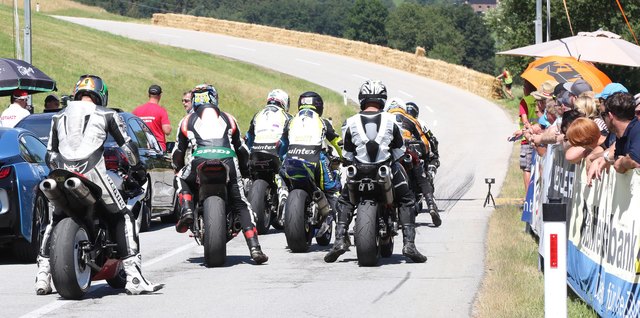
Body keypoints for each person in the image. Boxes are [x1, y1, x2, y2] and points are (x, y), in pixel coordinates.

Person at [35, 75, 162, 296]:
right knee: (123, 215)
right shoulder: (108, 114)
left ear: (76, 93)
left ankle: (43, 276)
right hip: (93, 173)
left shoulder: (58, 116)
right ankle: (134, 277)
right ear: (101, 95)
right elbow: (128, 146)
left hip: (60, 175)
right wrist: (138, 169)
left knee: (54, 219)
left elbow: (50, 155)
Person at [324, 79, 427, 264]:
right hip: (385, 168)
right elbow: (399, 150)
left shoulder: (350, 122)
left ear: (362, 99)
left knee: (345, 200)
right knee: (407, 199)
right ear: (383, 99)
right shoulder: (392, 120)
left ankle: (339, 240)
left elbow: (347, 153)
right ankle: (409, 244)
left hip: (359, 171)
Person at [172, 84, 268, 264]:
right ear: (214, 99)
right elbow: (242, 149)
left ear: (194, 101)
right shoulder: (229, 118)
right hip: (228, 162)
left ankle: (186, 209)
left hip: (199, 159)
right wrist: (246, 171)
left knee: (180, 178)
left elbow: (178, 151)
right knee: (241, 203)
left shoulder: (186, 120)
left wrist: (176, 166)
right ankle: (255, 248)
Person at [284, 91, 343, 235]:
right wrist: (346, 158)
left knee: (281, 179)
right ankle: (342, 231)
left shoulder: (290, 121)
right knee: (332, 191)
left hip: (291, 160)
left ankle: (282, 196)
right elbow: (337, 142)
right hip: (315, 160)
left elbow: (282, 144)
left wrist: (281, 158)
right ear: (319, 106)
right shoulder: (323, 121)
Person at [385, 98, 440, 226]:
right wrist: (427, 157)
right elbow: (426, 143)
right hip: (406, 152)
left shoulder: (384, 118)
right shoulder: (412, 120)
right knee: (422, 176)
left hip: (387, 154)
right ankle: (431, 204)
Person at [587, 92, 639, 184]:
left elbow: (635, 160)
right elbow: (617, 160)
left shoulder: (637, 130)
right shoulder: (620, 135)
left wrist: (622, 162)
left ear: (610, 116)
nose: (602, 119)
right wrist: (601, 159)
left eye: (603, 115)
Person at [246, 89, 292, 160]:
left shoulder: (257, 114)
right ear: (284, 101)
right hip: (276, 155)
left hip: (255, 154)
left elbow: (249, 137)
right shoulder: (287, 116)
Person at [132, 84, 171, 151]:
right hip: (158, 148)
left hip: (141, 147)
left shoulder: (137, 110)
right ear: (160, 96)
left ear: (148, 95)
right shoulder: (161, 111)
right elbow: (167, 131)